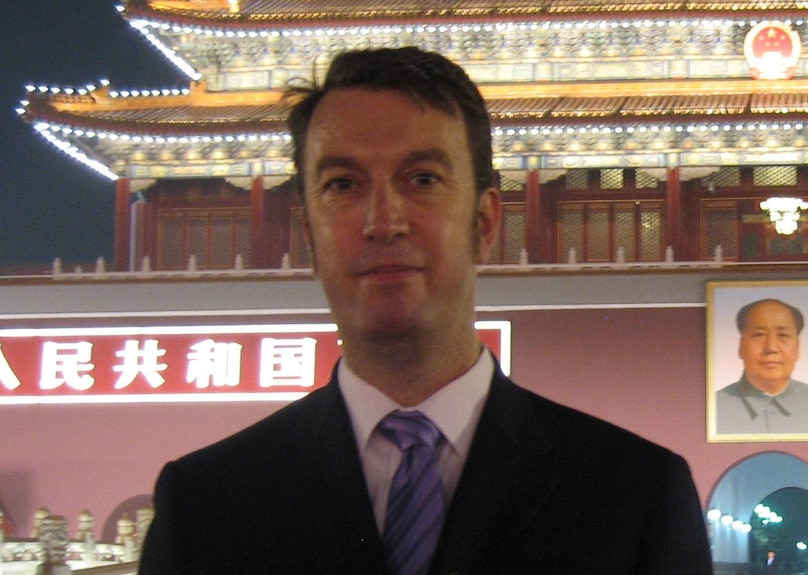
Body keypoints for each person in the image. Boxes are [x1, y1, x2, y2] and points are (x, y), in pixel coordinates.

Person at [138, 47, 713, 574]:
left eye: (422, 179)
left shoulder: (630, 495)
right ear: (309, 235)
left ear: (486, 222)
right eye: (342, 184)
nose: (382, 221)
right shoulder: (208, 504)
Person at [715, 298, 808, 435]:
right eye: (759, 335)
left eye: (783, 335)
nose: (771, 348)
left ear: (797, 348)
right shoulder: (714, 407)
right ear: (741, 346)